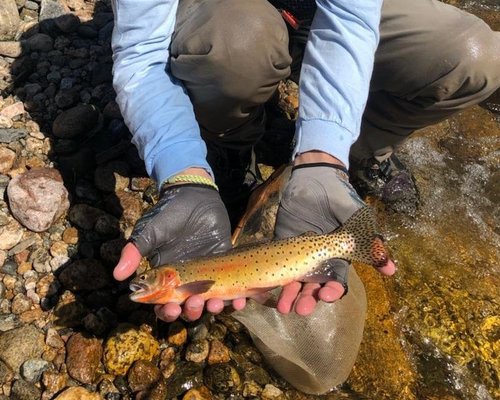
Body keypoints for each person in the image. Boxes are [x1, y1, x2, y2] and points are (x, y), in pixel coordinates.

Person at [110, 0, 500, 393]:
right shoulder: (179, 281)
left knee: (475, 58)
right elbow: (142, 54)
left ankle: (359, 152)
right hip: (227, 25)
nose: (142, 285)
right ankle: (228, 144)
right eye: (146, 283)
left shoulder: (180, 281)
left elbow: (350, 17)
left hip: (320, 12)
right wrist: (184, 174)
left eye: (146, 281)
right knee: (237, 46)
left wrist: (324, 156)